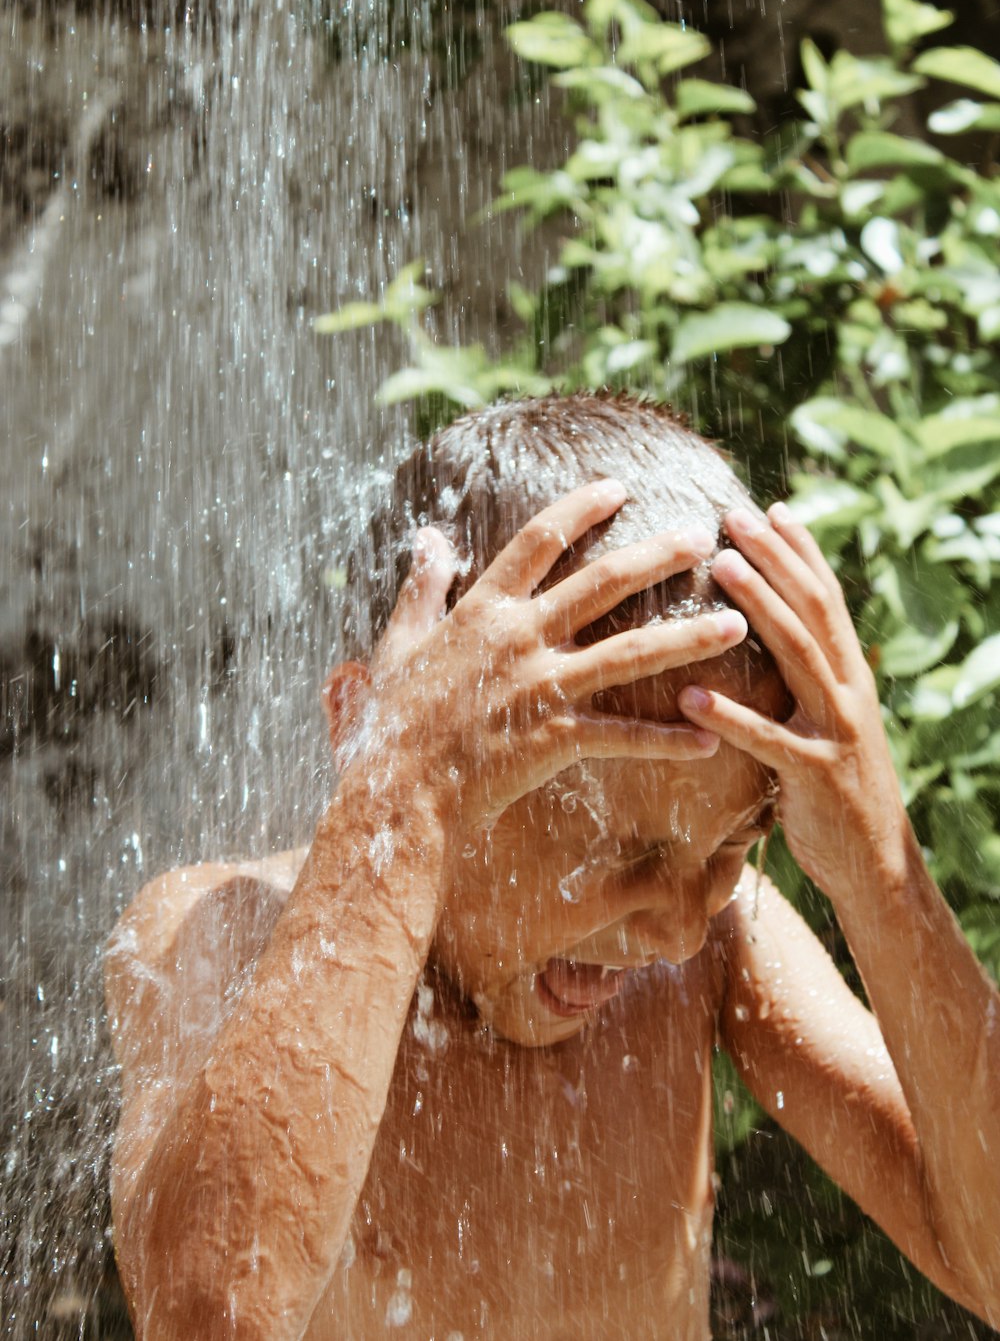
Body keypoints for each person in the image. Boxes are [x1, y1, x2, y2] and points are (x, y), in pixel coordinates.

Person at [105, 393, 1000, 1340]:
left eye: (733, 844)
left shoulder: (721, 941)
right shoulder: (223, 929)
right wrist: (402, 790)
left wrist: (880, 866)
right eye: (614, 849)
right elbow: (208, 1315)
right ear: (371, 731)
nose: (676, 924)